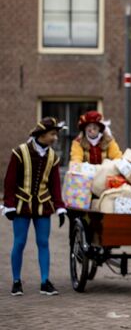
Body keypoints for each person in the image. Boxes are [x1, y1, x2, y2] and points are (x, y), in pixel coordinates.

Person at [3, 117, 68, 296]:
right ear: (42, 134)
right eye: (53, 134)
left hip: (43, 205)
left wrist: (60, 206)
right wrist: (8, 205)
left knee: (43, 243)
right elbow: (10, 181)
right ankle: (16, 281)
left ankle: (45, 281)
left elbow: (55, 185)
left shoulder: (53, 157)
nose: (55, 138)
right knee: (20, 242)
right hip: (21, 205)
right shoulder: (20, 152)